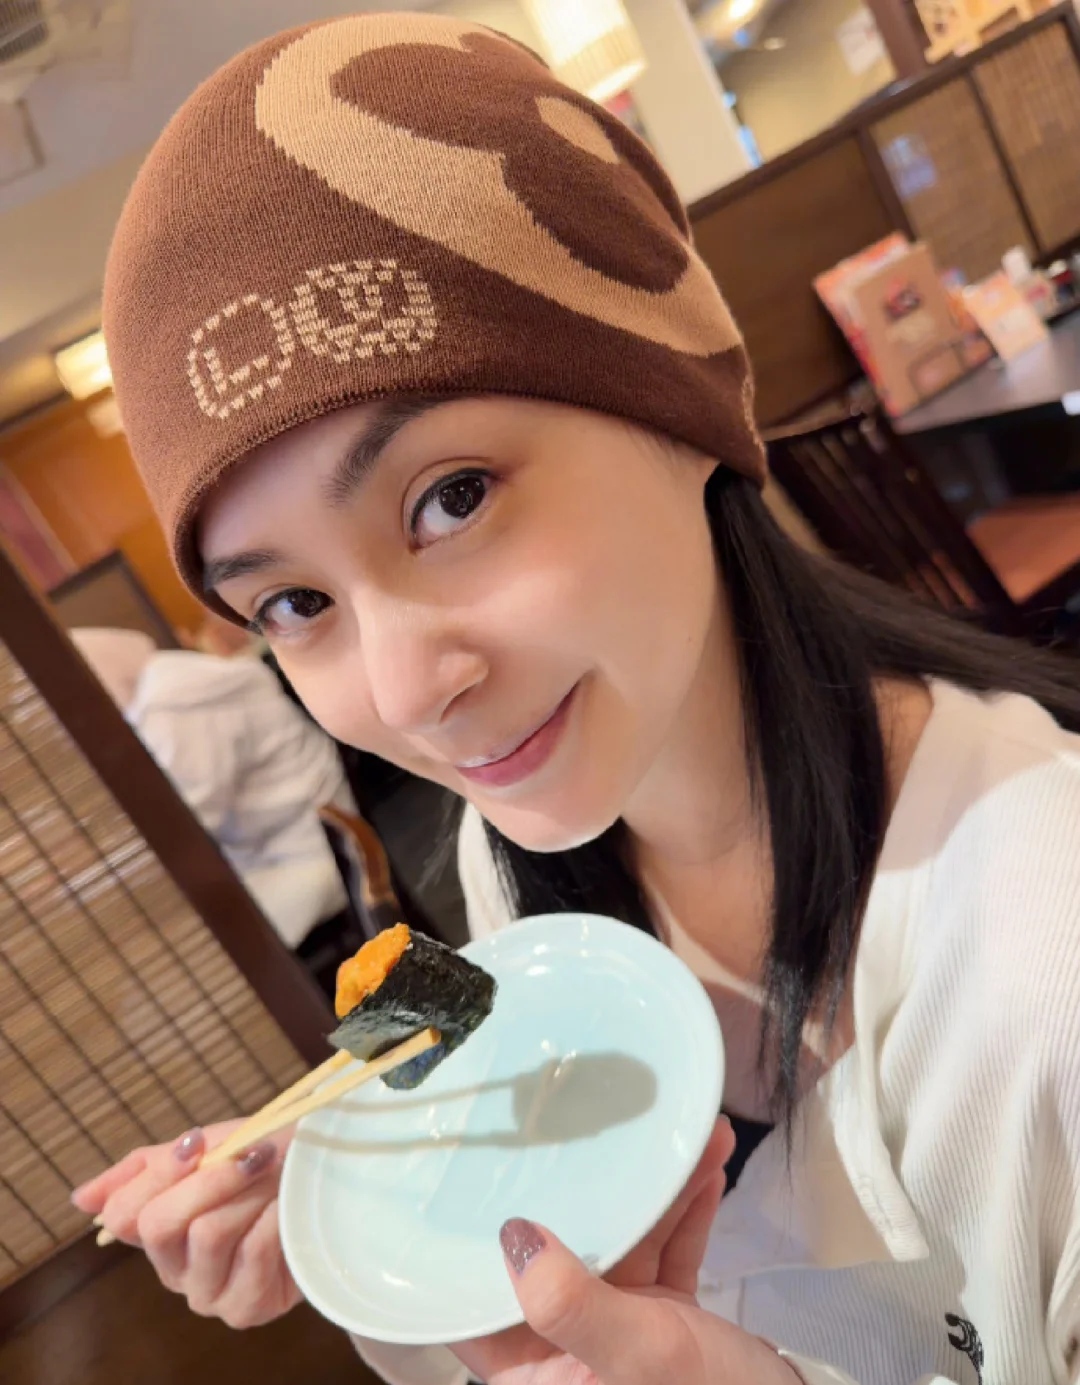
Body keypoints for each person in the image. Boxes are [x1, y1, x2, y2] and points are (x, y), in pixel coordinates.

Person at [73, 13, 1080, 1385]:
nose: (408, 692)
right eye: (295, 604)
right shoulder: (521, 868)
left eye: (452, 497)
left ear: (675, 390)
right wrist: (368, 1193)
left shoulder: (1041, 938)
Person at [70, 626, 353, 947]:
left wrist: (85, 869)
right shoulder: (168, 681)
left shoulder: (171, 704)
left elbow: (181, 828)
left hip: (313, 855)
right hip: (282, 850)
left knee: (186, 944)